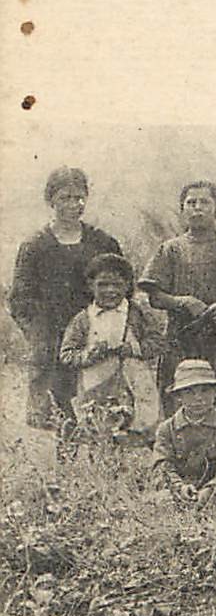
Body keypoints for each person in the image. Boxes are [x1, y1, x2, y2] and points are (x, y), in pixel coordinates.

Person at [6, 166, 123, 429]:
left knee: (100, 405)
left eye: (79, 197)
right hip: (52, 338)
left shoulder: (102, 242)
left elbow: (123, 286)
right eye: (65, 198)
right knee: (59, 411)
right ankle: (64, 467)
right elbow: (19, 301)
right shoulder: (35, 245)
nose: (73, 204)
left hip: (96, 333)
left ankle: (100, 464)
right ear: (51, 200)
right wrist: (39, 334)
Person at [138, 180, 216, 422]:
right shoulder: (170, 249)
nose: (197, 208)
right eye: (191, 203)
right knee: (180, 399)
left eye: (204, 202)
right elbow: (154, 296)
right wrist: (181, 301)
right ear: (182, 210)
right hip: (181, 336)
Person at [58, 253, 163, 440]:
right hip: (95, 383)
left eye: (117, 285)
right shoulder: (83, 319)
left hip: (134, 383)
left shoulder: (137, 314)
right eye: (103, 285)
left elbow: (157, 342)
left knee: (139, 427)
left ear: (128, 286)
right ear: (91, 285)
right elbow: (66, 354)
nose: (110, 291)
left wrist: (133, 349)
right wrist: (89, 355)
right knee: (98, 428)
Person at [150, 359, 216, 510]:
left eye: (205, 391)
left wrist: (210, 489)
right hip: (179, 495)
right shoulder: (167, 429)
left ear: (215, 393)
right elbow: (162, 468)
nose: (198, 398)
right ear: (178, 396)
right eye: (189, 392)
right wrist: (180, 488)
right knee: (161, 500)